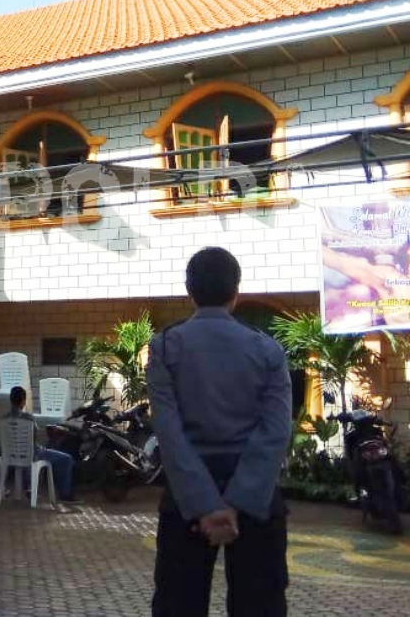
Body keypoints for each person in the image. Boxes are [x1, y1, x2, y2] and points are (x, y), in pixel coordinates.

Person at [147, 247, 293, 617]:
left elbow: (169, 433)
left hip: (186, 496)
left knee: (178, 604)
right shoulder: (268, 350)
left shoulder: (165, 347)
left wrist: (206, 505)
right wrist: (237, 502)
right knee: (260, 605)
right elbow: (275, 431)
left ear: (188, 289)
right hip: (256, 497)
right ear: (236, 291)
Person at [6, 386, 77, 503]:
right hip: (33, 453)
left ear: (11, 400)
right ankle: (65, 494)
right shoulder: (28, 418)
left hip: (12, 453)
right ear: (23, 401)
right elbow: (34, 438)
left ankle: (30, 487)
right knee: (67, 459)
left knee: (37, 454)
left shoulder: (4, 418)